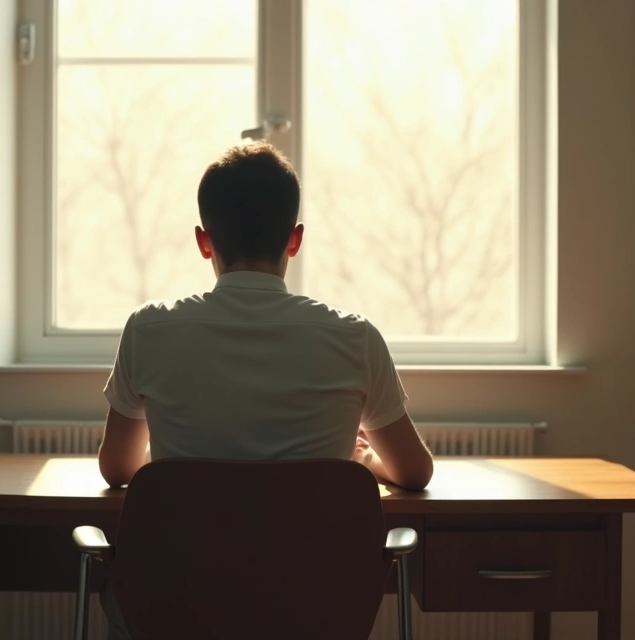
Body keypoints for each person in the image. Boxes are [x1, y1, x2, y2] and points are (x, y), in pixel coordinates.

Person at [96, 140, 434, 639]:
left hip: (180, 614)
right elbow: (415, 472)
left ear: (203, 241)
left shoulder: (149, 330)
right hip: (314, 616)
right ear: (294, 240)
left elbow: (116, 468)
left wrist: (178, 454)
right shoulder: (354, 338)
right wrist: (362, 465)